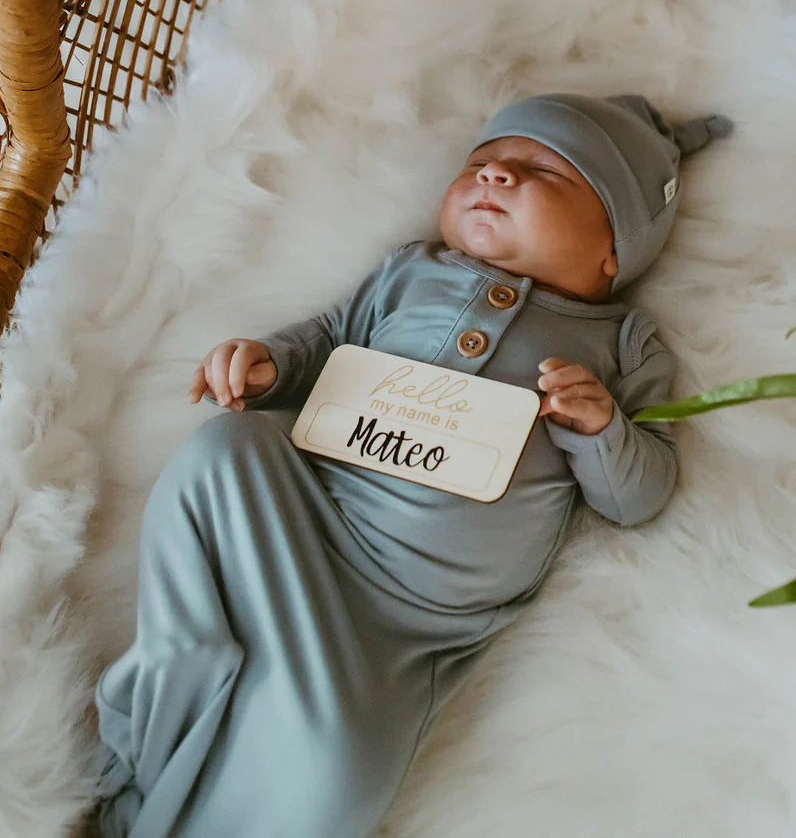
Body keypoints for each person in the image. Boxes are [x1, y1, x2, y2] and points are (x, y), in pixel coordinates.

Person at [88, 92, 733, 838]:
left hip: (410, 624)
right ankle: (170, 679)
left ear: (612, 250)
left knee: (340, 770)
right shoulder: (410, 271)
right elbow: (329, 339)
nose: (495, 176)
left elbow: (642, 495)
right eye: (481, 163)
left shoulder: (622, 344)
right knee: (223, 449)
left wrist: (600, 427)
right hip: (307, 520)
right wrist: (267, 366)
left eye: (540, 172)